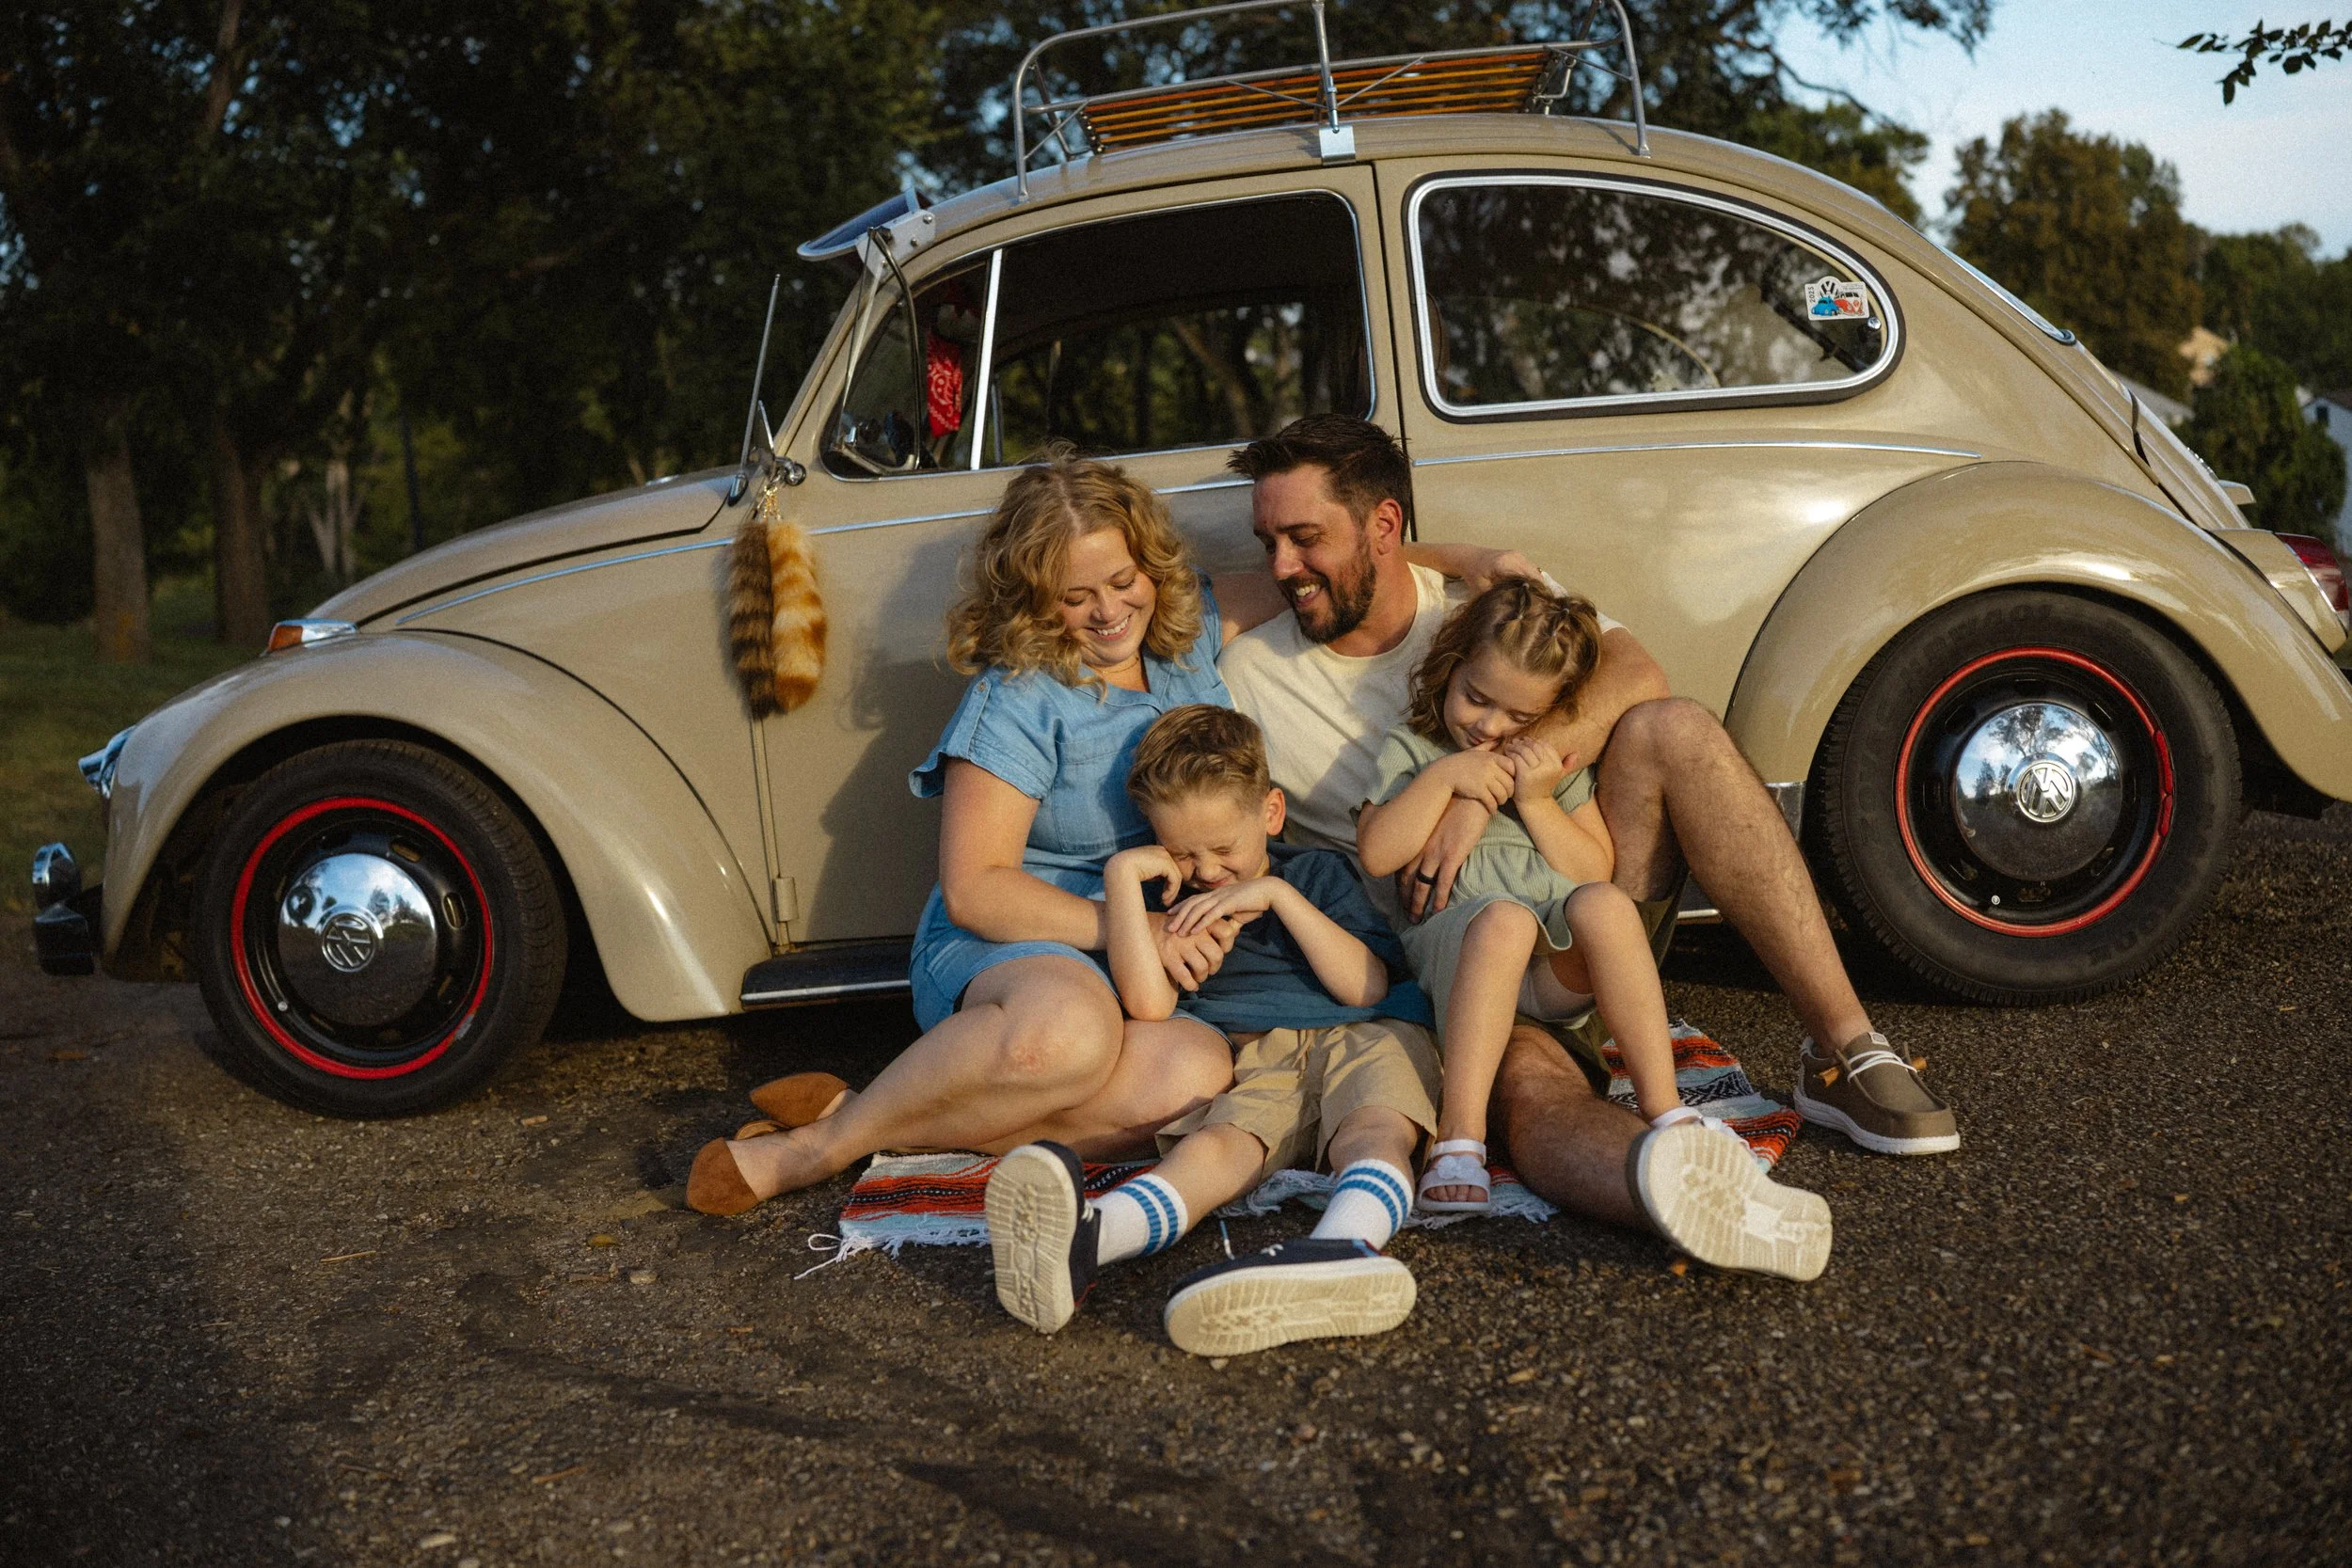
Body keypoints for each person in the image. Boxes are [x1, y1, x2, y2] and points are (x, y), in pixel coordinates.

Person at [687, 448, 1524, 1214]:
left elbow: (1319, 576)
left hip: (1136, 955)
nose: (1108, 611)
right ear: (1034, 597)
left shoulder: (1186, 630)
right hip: (1019, 938)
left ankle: (875, 1116)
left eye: (1122, 580)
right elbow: (976, 888)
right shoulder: (1018, 697)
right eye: (1075, 596)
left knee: (1200, 1072)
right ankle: (816, 1149)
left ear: (1150, 564)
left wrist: (1462, 560)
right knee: (1073, 1032)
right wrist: (1138, 929)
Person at [1216, 416, 1957, 1253]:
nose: (1280, 567)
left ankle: (1847, 1047)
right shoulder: (1248, 670)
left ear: (1384, 524)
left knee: (1675, 727)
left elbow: (1637, 672)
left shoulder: (1489, 609)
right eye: (1268, 542)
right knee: (1533, 1092)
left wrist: (1489, 788)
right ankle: (1704, 1205)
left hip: (1572, 906)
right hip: (1451, 954)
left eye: (1305, 538)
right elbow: (1157, 601)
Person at [1356, 579, 1831, 1276]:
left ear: (1551, 712)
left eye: (1518, 715)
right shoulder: (1416, 749)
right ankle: (1461, 1138)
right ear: (1450, 668)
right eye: (1476, 698)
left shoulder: (1547, 768)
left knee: (1606, 905)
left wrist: (1536, 800)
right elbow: (1377, 852)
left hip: (1550, 967)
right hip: (1460, 956)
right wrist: (1448, 778)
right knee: (1504, 921)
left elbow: (1594, 867)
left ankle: (1666, 1110)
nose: (1488, 727)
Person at [985, 705, 1444, 1356]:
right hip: (1258, 1056)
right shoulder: (1171, 904)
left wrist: (1279, 899)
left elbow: (1365, 988)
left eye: (1224, 849)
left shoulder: (1312, 875)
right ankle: (1089, 1237)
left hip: (1368, 1029)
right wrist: (1122, 879)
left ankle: (1342, 1247)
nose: (1205, 870)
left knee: (1372, 1128)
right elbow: (1149, 1004)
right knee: (1217, 1146)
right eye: (1181, 852)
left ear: (1271, 813)